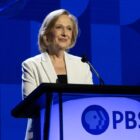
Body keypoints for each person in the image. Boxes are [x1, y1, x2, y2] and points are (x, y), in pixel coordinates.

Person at [22, 9, 93, 140]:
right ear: (47, 34)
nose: (65, 33)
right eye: (59, 27)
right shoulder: (31, 65)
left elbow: (87, 102)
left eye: (69, 29)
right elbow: (30, 106)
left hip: (77, 133)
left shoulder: (83, 65)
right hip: (43, 134)